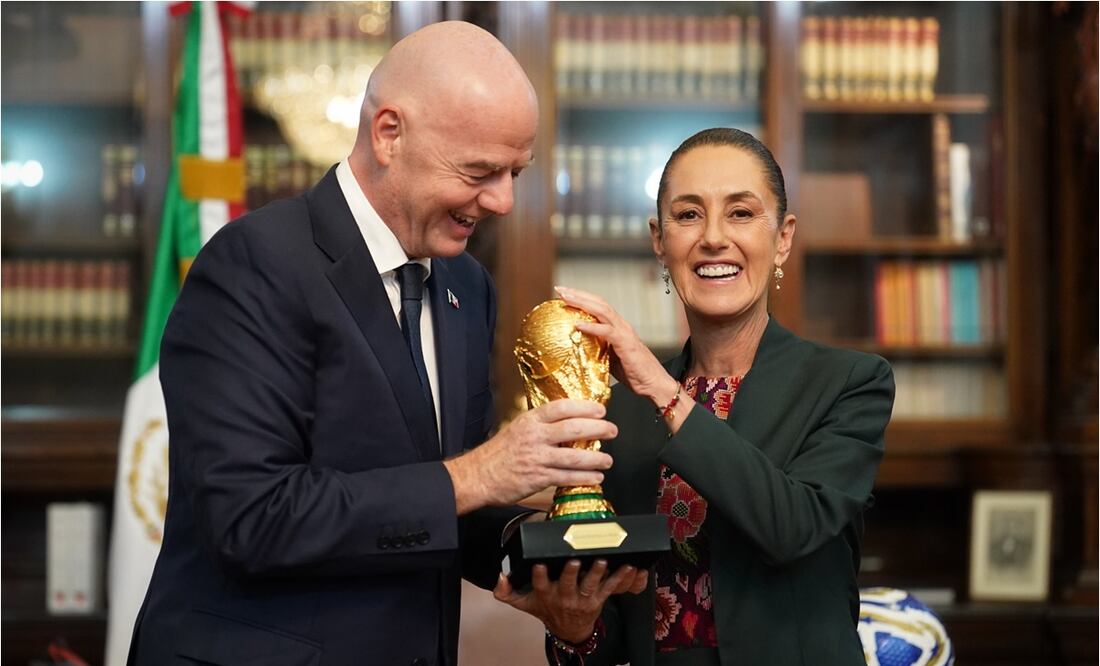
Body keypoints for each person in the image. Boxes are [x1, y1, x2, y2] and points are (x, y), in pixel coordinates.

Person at [129, 21, 644, 666]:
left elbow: (441, 501)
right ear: (389, 134)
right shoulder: (253, 264)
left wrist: (545, 553)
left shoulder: (466, 286)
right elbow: (251, 517)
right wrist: (482, 472)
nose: (504, 201)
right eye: (481, 171)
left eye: (516, 171)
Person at [522, 127, 896, 665]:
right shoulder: (619, 412)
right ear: (659, 240)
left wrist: (664, 392)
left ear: (783, 237)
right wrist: (576, 630)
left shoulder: (848, 383)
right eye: (688, 215)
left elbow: (791, 528)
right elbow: (616, 618)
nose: (714, 238)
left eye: (741, 213)